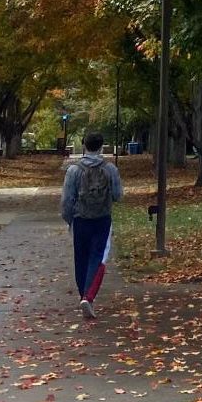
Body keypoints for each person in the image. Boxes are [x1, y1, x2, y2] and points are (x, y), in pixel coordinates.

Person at [60, 132, 123, 317]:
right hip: (102, 219)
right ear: (102, 146)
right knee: (97, 257)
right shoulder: (110, 169)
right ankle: (88, 297)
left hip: (81, 219)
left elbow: (66, 200)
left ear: (84, 145)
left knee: (81, 258)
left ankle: (83, 295)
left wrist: (69, 219)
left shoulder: (74, 170)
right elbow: (118, 195)